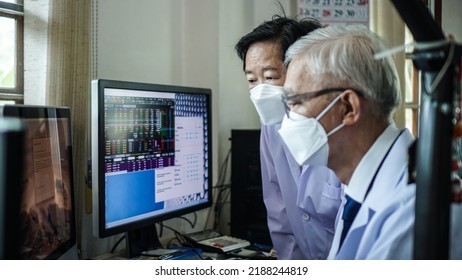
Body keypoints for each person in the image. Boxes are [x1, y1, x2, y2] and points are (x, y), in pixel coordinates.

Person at [280, 24, 416, 259]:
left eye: (294, 102)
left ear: (348, 108)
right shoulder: (358, 184)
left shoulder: (409, 214)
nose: (288, 117)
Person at [235, 15, 343, 259]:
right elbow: (278, 208)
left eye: (271, 77)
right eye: (252, 80)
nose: (261, 90)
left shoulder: (342, 129)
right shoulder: (271, 124)